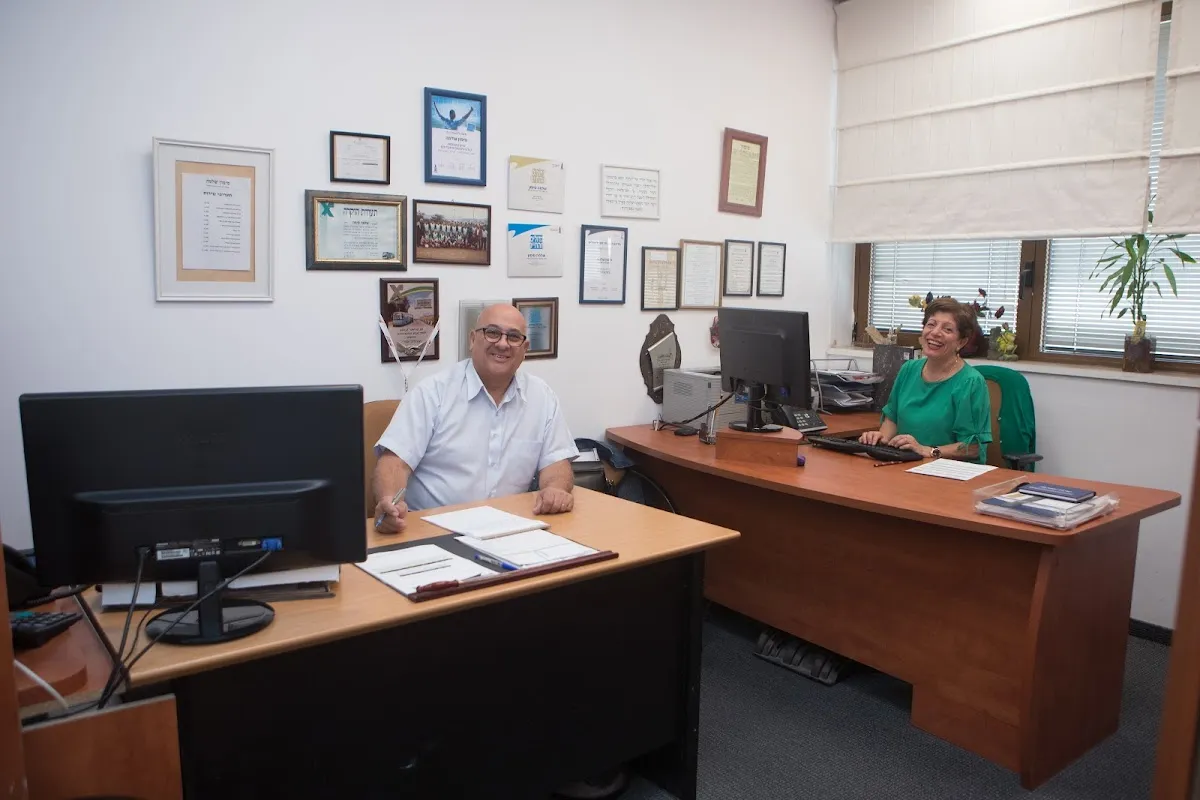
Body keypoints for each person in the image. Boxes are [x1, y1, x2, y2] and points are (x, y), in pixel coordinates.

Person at [372, 303, 577, 533]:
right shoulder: (432, 393)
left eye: (513, 337)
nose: (502, 344)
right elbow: (394, 463)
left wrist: (555, 489)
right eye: (492, 332)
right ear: (472, 339)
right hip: (434, 529)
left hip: (511, 528)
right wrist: (389, 502)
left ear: (525, 348)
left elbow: (557, 463)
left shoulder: (542, 396)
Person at [859, 297, 992, 463]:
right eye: (931, 324)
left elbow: (973, 447)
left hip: (948, 471)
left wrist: (927, 451)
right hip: (906, 463)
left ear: (961, 342)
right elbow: (892, 418)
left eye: (947, 329)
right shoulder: (908, 369)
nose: (935, 332)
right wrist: (880, 439)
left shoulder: (971, 382)